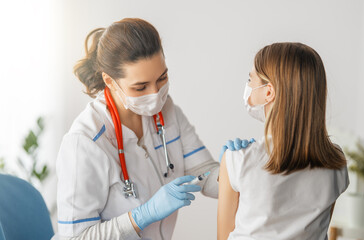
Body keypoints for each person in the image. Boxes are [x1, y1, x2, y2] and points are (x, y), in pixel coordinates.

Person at [54, 18, 248, 240]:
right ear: (109, 81)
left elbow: (203, 173)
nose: (156, 94)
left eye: (162, 78)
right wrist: (142, 216)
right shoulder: (84, 142)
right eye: (140, 87)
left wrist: (234, 171)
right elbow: (75, 237)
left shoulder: (166, 111)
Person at [217, 42, 349, 240]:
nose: (248, 87)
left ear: (269, 92)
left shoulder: (237, 160)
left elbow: (223, 237)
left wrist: (227, 166)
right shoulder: (336, 162)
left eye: (250, 79)